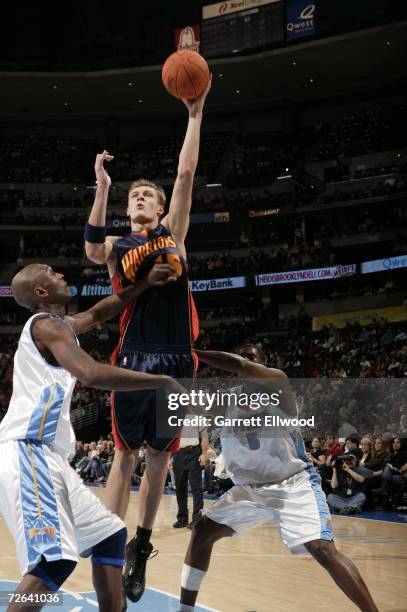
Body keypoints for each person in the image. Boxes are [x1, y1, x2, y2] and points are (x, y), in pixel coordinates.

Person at [84, 81, 211, 604]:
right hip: (133, 359)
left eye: (147, 195)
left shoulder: (174, 235)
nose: (141, 197)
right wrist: (103, 186)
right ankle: (111, 545)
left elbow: (184, 174)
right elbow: (91, 250)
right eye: (134, 195)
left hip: (177, 358)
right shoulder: (117, 246)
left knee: (158, 459)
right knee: (123, 459)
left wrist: (195, 114)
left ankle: (141, 543)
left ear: (160, 208)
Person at [0, 262, 183, 612]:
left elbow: (100, 312)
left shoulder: (59, 326)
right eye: (53, 274)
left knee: (110, 536)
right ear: (40, 293)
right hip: (27, 451)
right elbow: (90, 372)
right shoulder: (46, 326)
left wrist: (143, 283)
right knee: (53, 561)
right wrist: (160, 381)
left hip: (50, 457)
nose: (62, 275)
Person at [178, 345, 378, 612]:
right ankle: (184, 610)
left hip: (292, 482)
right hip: (249, 489)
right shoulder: (227, 401)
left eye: (251, 357)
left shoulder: (278, 385)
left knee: (322, 548)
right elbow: (190, 402)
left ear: (264, 363)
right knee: (202, 531)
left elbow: (238, 366)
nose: (244, 360)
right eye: (241, 356)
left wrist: (189, 350)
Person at [172, 416, 209, 529]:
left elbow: (204, 437)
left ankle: (197, 519)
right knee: (180, 488)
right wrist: (169, 457)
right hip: (177, 453)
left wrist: (204, 454)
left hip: (194, 453)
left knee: (196, 487)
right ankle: (182, 518)